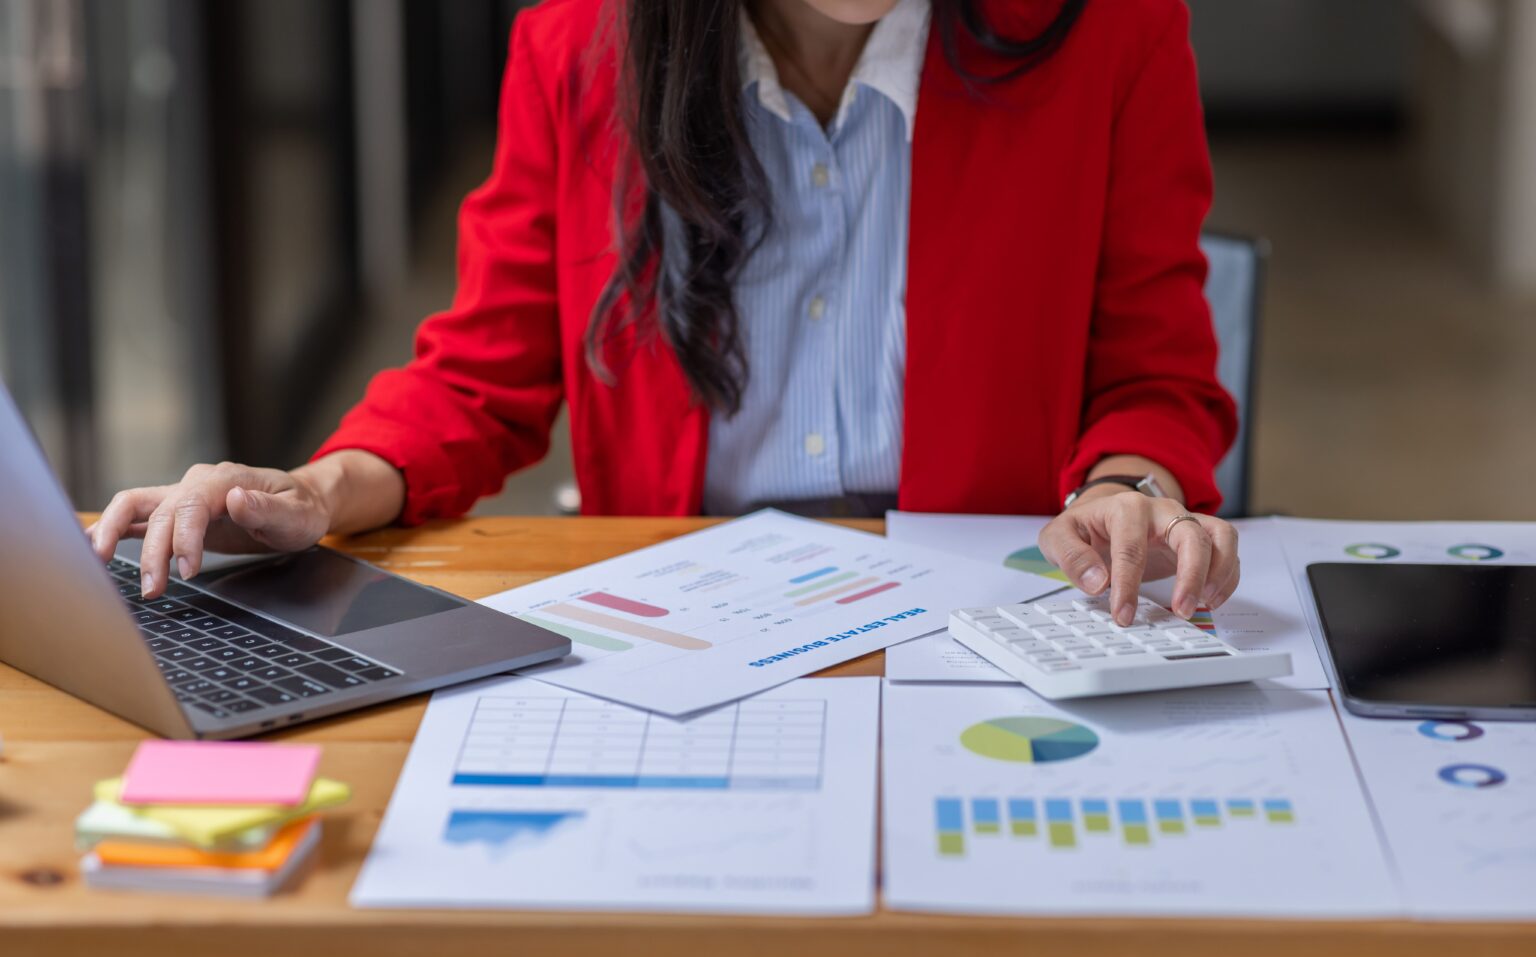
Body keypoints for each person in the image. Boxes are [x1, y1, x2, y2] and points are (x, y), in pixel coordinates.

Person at [89, 0, 1242, 629]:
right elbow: (481, 378)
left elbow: (1153, 368)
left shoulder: (1116, 32)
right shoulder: (578, 42)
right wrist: (312, 490)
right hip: (687, 621)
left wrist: (1128, 487)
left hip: (992, 620)